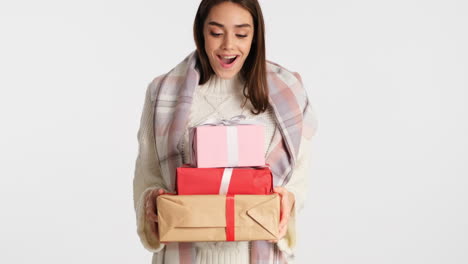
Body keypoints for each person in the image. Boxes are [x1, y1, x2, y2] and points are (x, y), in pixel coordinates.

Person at [133, 0, 317, 263]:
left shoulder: (287, 93)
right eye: (216, 33)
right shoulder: (163, 92)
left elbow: (298, 175)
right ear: (200, 32)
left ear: (255, 36)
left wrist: (286, 200)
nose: (228, 45)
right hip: (184, 255)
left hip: (258, 253)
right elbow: (147, 174)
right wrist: (153, 200)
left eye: (241, 34)